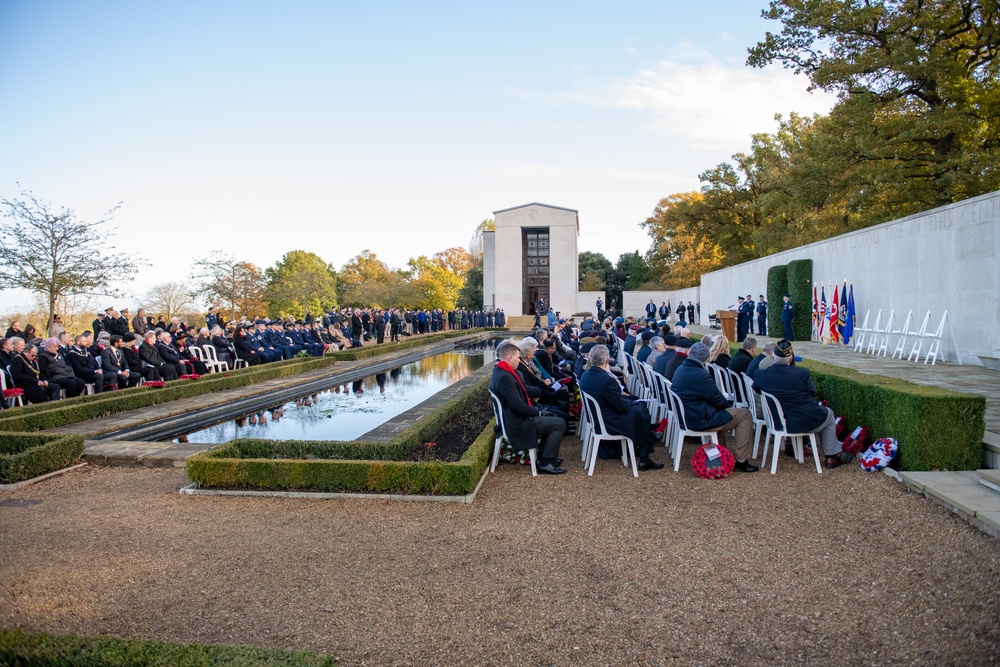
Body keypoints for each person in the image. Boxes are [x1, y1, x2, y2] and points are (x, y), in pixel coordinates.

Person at [752, 339, 845, 468]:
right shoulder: (801, 374)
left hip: (776, 422)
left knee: (818, 414)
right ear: (790, 359)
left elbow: (757, 389)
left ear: (773, 357)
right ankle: (830, 456)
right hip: (800, 421)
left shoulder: (760, 375)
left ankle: (818, 447)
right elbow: (811, 393)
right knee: (828, 414)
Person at [670, 342, 759, 472]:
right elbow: (717, 399)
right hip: (700, 418)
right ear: (705, 359)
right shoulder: (700, 374)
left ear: (690, 354)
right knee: (745, 414)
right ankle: (741, 459)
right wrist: (728, 407)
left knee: (724, 414)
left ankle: (723, 454)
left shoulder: (681, 368)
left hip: (687, 415)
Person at [579, 344, 663, 470]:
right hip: (609, 421)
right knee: (641, 410)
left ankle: (644, 450)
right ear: (607, 360)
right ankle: (644, 456)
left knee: (640, 410)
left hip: (599, 417)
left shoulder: (586, 374)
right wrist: (632, 402)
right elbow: (622, 406)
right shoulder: (606, 379)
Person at [489, 339, 566, 475]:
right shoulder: (504, 377)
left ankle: (544, 457)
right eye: (518, 358)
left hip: (517, 417)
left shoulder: (502, 372)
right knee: (559, 423)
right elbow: (519, 406)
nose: (519, 361)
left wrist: (539, 404)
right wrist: (538, 412)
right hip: (517, 422)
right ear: (510, 357)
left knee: (553, 417)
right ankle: (545, 463)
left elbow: (520, 394)